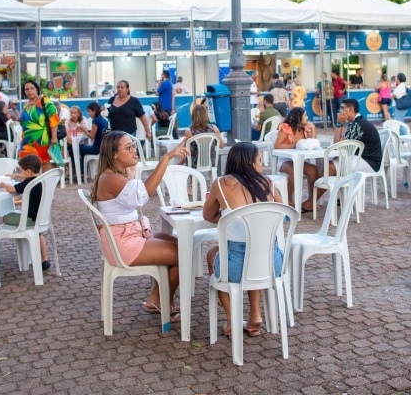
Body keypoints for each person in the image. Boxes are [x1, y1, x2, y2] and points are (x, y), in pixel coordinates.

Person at [93, 131, 188, 318]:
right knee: (183, 254)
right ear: (113, 154)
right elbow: (143, 196)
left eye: (133, 146)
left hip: (126, 235)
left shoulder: (113, 175)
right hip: (122, 243)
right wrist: (166, 158)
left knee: (182, 245)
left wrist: (130, 174)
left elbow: (133, 196)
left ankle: (157, 299)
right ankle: (161, 300)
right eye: (128, 148)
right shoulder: (111, 178)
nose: (134, 151)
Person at [204, 142, 283, 338]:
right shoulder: (268, 183)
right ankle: (255, 314)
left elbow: (208, 215)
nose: (261, 165)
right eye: (259, 160)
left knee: (213, 254)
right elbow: (283, 213)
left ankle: (233, 320)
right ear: (250, 163)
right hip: (272, 263)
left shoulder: (221, 184)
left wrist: (228, 219)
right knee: (254, 254)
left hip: (236, 265)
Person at [0, 154, 52, 271]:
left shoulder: (28, 183)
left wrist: (4, 184)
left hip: (28, 220)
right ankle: (45, 259)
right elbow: (25, 179)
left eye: (21, 171)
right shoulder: (40, 180)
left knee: (5, 217)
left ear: (28, 171)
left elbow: (12, 189)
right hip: (40, 219)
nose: (20, 173)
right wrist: (16, 176)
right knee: (39, 234)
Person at [275, 107, 318, 213]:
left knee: (313, 170)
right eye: (305, 115)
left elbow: (311, 143)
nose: (307, 118)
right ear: (298, 117)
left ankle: (311, 201)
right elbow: (277, 145)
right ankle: (288, 201)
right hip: (284, 160)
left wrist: (313, 128)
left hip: (298, 160)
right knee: (294, 172)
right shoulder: (287, 127)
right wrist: (296, 145)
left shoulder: (303, 129)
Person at [20, 80, 59, 170]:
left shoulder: (45, 102)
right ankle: (33, 184)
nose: (29, 91)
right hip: (27, 140)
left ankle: (46, 184)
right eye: (27, 89)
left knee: (44, 163)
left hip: (42, 139)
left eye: (32, 88)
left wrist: (54, 137)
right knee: (27, 165)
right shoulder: (26, 105)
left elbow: (54, 119)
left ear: (37, 90)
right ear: (25, 92)